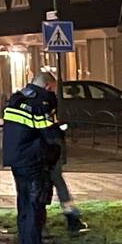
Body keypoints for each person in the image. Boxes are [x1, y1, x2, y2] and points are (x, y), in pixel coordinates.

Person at [1, 72, 64, 244]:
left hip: (17, 161)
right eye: (53, 88)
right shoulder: (42, 101)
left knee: (25, 209)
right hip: (33, 162)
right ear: (48, 87)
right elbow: (49, 132)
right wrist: (60, 132)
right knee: (34, 211)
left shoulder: (17, 99)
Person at [43, 79, 87, 234]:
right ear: (47, 86)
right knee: (53, 184)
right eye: (53, 88)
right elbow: (48, 129)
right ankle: (70, 219)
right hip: (46, 151)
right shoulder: (43, 104)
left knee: (50, 185)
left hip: (45, 152)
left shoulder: (36, 102)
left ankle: (66, 219)